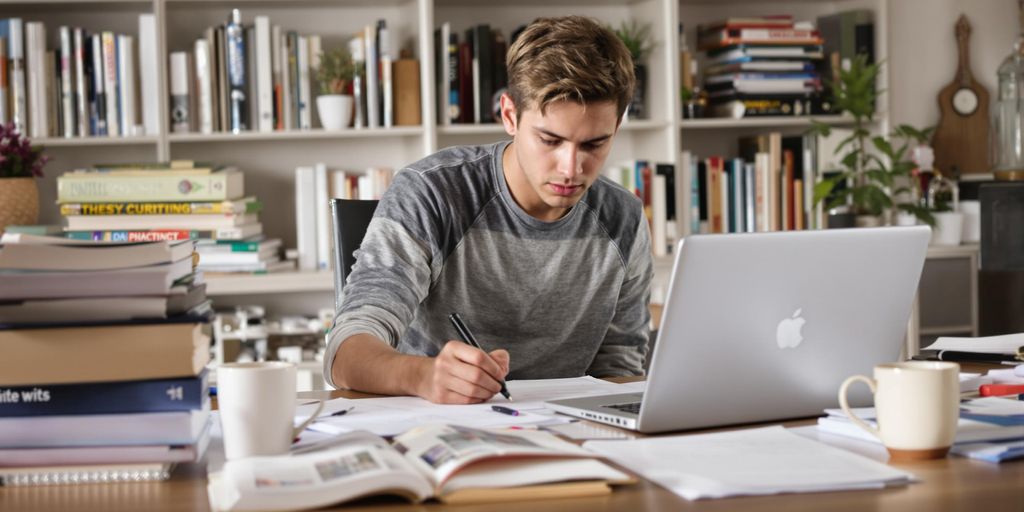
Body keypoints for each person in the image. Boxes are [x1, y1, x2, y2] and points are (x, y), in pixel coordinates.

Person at [325, 15, 653, 404]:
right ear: (510, 115)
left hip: (569, 434)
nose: (571, 169)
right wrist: (422, 375)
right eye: (550, 140)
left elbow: (621, 369)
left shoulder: (624, 217)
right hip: (439, 425)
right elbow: (344, 353)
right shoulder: (433, 192)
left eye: (594, 145)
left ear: (616, 127)